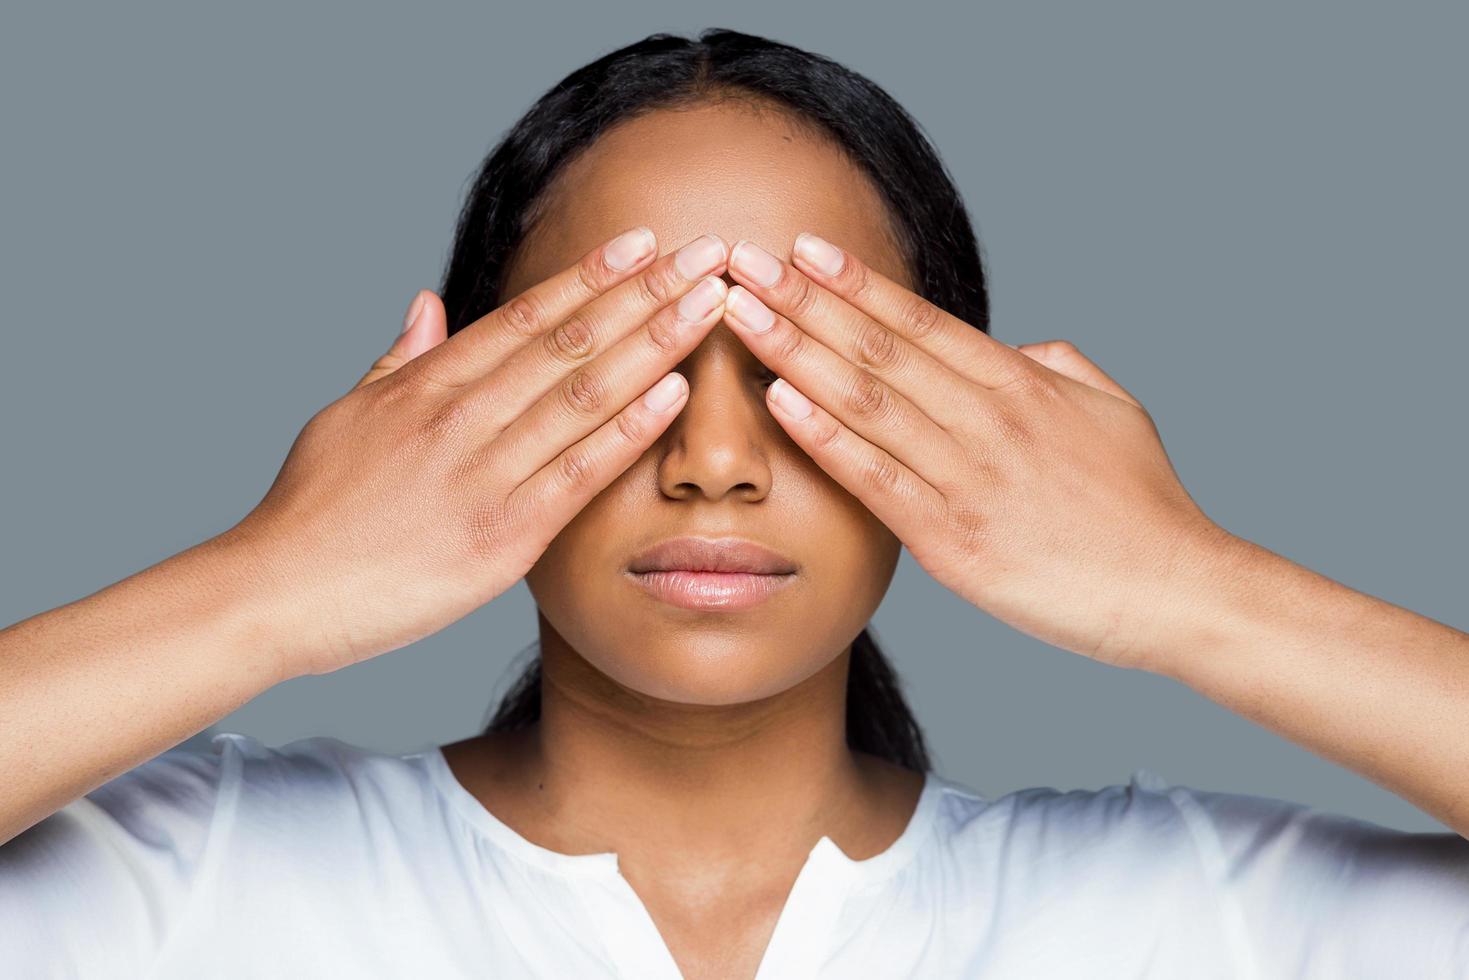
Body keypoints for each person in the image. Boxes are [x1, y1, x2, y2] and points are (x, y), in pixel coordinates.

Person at [2, 26, 1467, 979]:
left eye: (803, 370)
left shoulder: (1195, 918)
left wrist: (1188, 591)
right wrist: (273, 586)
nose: (713, 459)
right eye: (614, 366)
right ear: (457, 400)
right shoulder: (192, 885)